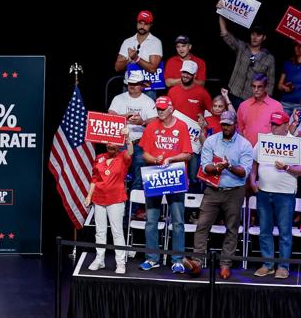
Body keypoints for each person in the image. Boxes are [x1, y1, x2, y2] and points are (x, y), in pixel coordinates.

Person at [192, 110, 254, 279]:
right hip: (212, 190)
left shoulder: (245, 145)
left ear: (236, 125)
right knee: (202, 225)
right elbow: (205, 166)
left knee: (232, 229)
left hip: (235, 192)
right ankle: (197, 262)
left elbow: (244, 172)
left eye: (229, 124)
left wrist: (229, 166)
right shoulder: (211, 141)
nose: (225, 127)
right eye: (223, 124)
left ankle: (225, 264)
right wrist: (218, 167)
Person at [138, 96, 193, 273]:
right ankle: (152, 258)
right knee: (151, 220)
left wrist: (171, 159)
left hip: (175, 175)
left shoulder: (181, 126)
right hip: (154, 175)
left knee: (178, 221)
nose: (160, 111)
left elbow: (188, 155)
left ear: (171, 109)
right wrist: (155, 159)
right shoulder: (152, 126)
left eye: (163, 108)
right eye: (158, 108)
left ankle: (177, 259)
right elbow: (144, 154)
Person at [250, 112, 301, 279]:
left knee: (284, 231)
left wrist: (287, 168)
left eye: (277, 124)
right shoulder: (263, 140)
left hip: (285, 193)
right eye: (272, 124)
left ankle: (283, 265)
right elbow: (254, 163)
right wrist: (253, 180)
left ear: (286, 125)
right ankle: (268, 264)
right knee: (265, 230)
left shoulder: (295, 144)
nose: (273, 127)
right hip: (264, 191)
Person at [82, 126, 133, 273]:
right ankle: (99, 260)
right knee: (100, 231)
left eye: (113, 143)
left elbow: (130, 152)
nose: (110, 145)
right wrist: (89, 196)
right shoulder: (100, 158)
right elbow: (94, 179)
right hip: (99, 199)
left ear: (118, 144)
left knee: (117, 232)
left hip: (116, 199)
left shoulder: (123, 157)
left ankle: (120, 263)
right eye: (108, 143)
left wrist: (127, 137)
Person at [109, 69, 158, 192]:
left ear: (142, 85)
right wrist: (125, 116)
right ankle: (118, 205)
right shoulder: (118, 98)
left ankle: (134, 208)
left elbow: (155, 121)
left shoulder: (148, 101)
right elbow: (109, 118)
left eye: (136, 84)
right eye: (130, 83)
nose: (132, 86)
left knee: (139, 176)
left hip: (139, 143)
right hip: (121, 143)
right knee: (117, 175)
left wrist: (141, 122)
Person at [217, 6, 275, 104]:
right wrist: (221, 13)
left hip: (253, 99)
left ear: (264, 38)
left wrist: (265, 103)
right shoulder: (242, 47)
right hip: (233, 94)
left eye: (258, 35)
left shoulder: (269, 58)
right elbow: (225, 34)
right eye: (253, 34)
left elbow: (270, 83)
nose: (255, 37)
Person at [237, 73, 285, 147]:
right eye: (253, 86)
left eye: (259, 87)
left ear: (266, 88)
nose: (256, 90)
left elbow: (281, 131)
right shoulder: (243, 105)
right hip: (248, 149)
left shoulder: (277, 106)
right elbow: (240, 129)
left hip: (268, 150)